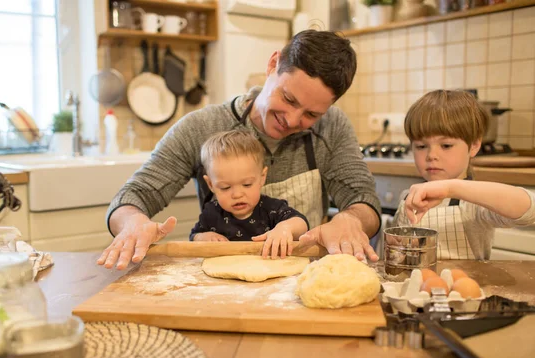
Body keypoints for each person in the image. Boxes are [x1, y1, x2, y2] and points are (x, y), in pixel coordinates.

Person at [98, 29, 382, 270]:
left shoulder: (332, 127)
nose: (293, 121)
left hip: (303, 279)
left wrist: (351, 219)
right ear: (273, 64)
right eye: (289, 99)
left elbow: (364, 200)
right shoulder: (202, 127)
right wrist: (133, 221)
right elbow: (135, 195)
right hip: (225, 284)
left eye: (311, 115)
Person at [392, 90, 535, 260]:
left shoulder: (473, 204)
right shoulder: (408, 198)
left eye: (445, 145)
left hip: (465, 284)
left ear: (474, 145)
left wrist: (451, 188)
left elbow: (530, 210)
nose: (431, 155)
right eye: (421, 146)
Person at [191, 129, 309, 259]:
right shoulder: (211, 213)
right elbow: (194, 235)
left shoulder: (272, 209)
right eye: (225, 187)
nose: (237, 194)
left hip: (268, 271)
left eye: (247, 184)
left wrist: (285, 228)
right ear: (211, 185)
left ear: (262, 177)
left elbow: (301, 223)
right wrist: (203, 237)